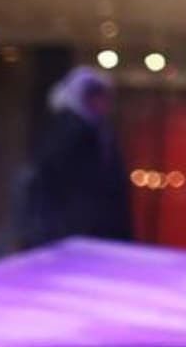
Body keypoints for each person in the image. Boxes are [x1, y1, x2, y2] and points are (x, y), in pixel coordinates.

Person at [13, 66, 133, 249]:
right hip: (72, 229)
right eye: (97, 97)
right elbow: (55, 180)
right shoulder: (70, 131)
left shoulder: (98, 131)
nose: (103, 104)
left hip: (88, 228)